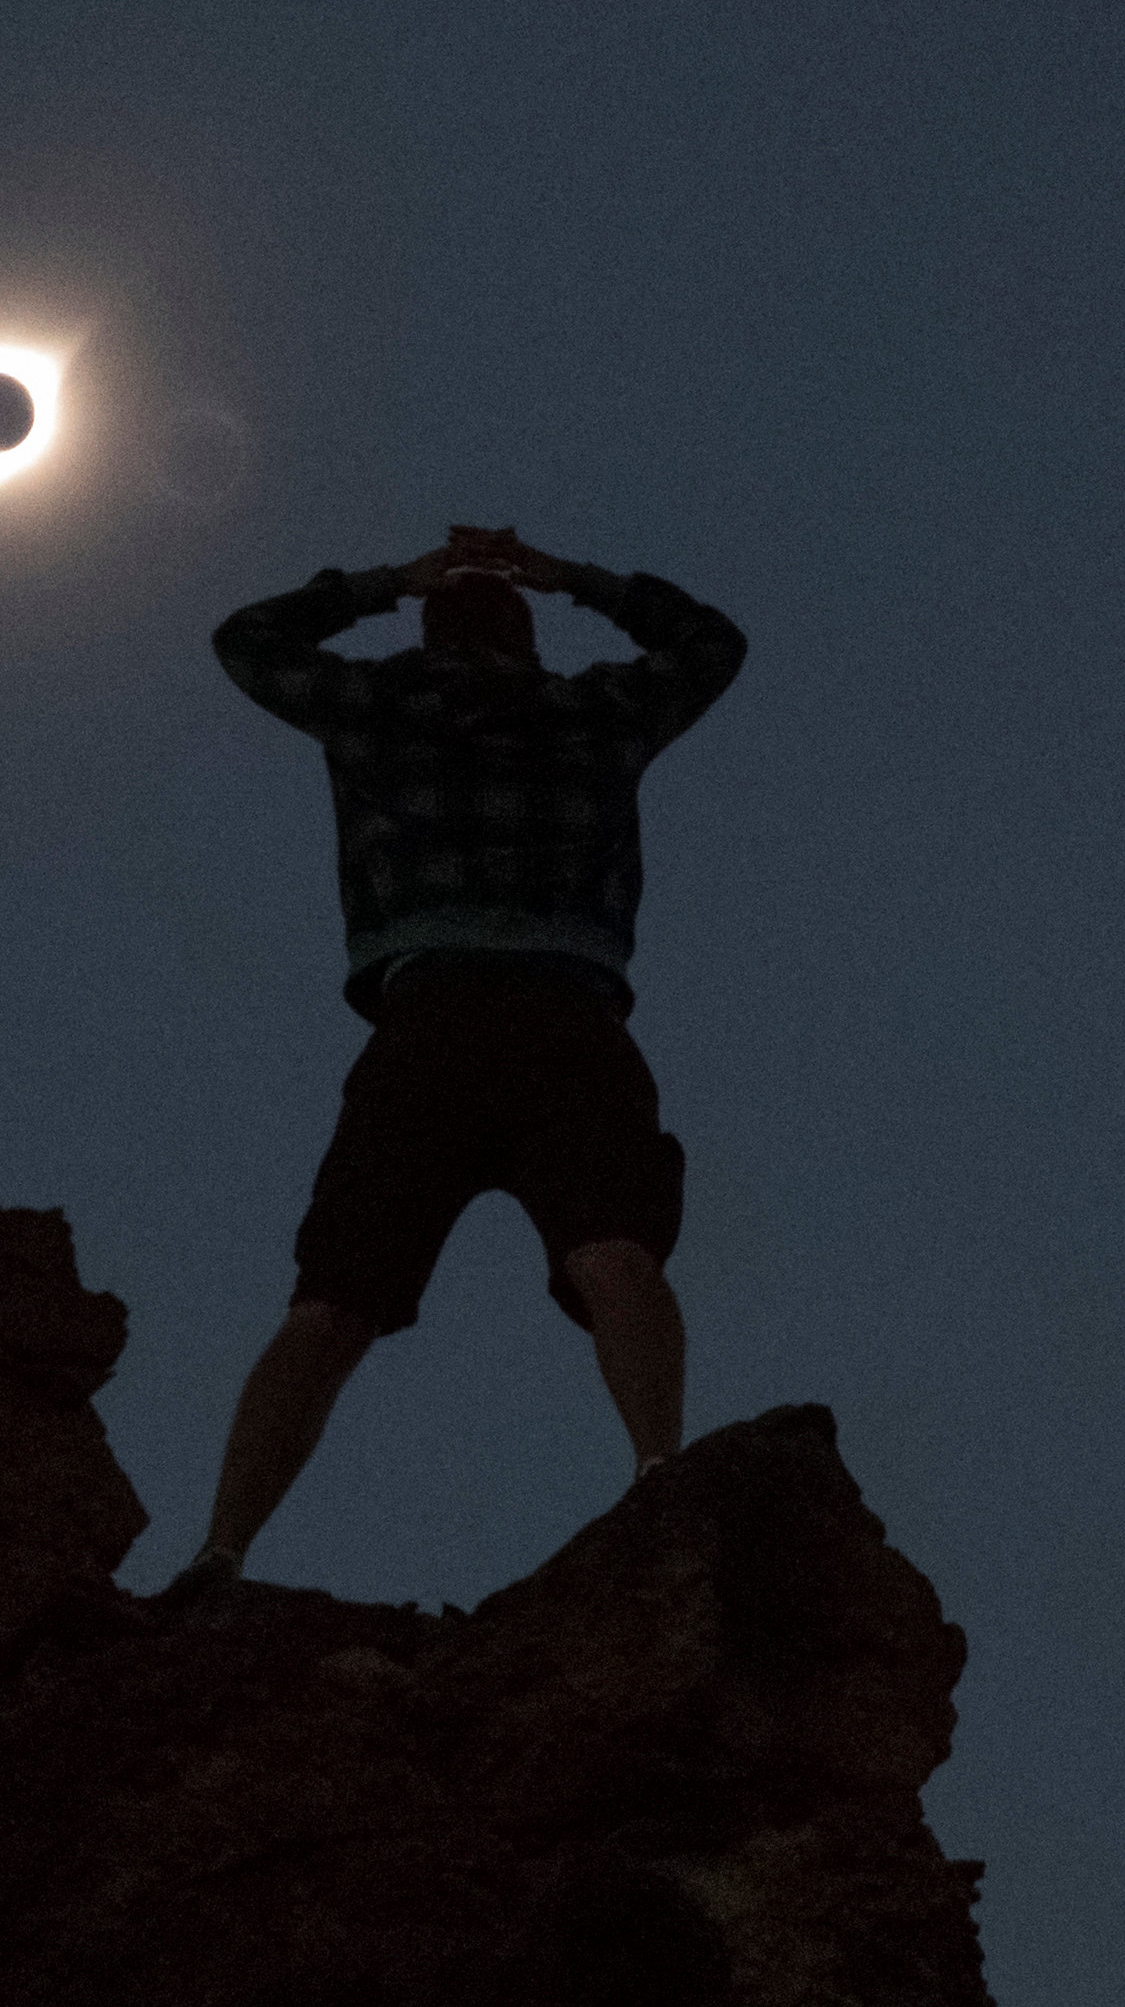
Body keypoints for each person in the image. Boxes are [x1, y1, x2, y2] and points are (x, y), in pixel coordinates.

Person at [173, 525, 748, 1593]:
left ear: (434, 628)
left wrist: (390, 581)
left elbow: (246, 639)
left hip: (425, 1021)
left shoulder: (379, 706)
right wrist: (575, 573)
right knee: (614, 1251)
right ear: (525, 638)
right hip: (567, 1020)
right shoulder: (594, 713)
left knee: (332, 1302)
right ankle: (661, 1470)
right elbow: (711, 644)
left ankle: (220, 1550)